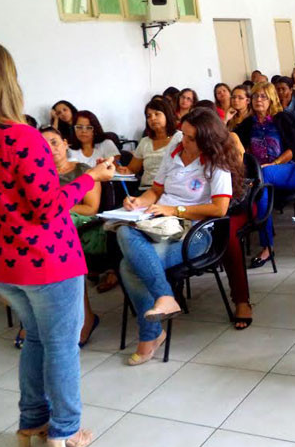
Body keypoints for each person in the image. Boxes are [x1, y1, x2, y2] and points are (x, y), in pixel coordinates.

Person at [0, 37, 116, 447]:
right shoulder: (20, 136)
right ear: (6, 77)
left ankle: (31, 422)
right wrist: (91, 177)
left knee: (36, 338)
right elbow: (47, 206)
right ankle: (65, 430)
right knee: (61, 345)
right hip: (46, 260)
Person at [117, 108, 243, 364]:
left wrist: (174, 209)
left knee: (128, 266)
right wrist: (137, 202)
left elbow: (220, 209)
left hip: (196, 233)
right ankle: (166, 298)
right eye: (183, 134)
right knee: (122, 229)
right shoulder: (176, 145)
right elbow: (155, 190)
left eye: (191, 138)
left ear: (207, 140)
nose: (183, 141)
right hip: (161, 222)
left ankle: (150, 335)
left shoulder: (217, 161)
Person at [234, 82, 295, 268]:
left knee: (263, 176)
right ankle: (265, 244)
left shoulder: (282, 119)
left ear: (272, 99)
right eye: (255, 96)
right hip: (263, 176)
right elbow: (233, 143)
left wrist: (274, 164)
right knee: (259, 187)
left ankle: (266, 244)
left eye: (263, 96)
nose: (258, 100)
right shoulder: (248, 124)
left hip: (291, 169)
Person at [40, 126, 101, 343]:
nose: (51, 148)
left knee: (57, 240)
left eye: (54, 142)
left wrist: (58, 208)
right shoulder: (38, 177)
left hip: (83, 227)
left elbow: (91, 208)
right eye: (44, 145)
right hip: (50, 231)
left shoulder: (84, 170)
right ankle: (41, 320)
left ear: (66, 143)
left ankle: (85, 318)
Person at [117, 99, 180, 189]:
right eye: (148, 116)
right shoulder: (145, 142)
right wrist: (119, 169)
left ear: (167, 115)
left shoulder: (180, 138)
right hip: (146, 189)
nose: (152, 118)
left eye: (157, 114)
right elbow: (132, 169)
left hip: (170, 190)